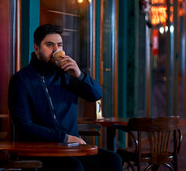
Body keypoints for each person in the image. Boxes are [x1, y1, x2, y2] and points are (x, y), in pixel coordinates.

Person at [8, 24, 122, 171]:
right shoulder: (21, 80)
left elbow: (96, 95)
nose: (56, 50)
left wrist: (79, 75)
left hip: (71, 148)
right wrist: (64, 138)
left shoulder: (67, 75)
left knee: (112, 160)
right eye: (49, 45)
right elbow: (25, 126)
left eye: (59, 45)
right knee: (75, 167)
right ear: (37, 49)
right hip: (41, 151)